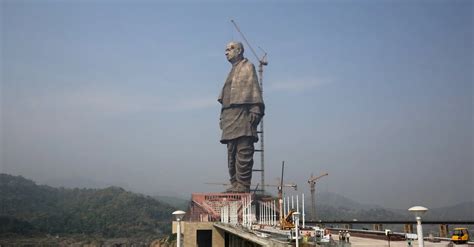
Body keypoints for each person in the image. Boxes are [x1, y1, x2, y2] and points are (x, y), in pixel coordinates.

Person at [218, 41, 264, 193]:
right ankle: (234, 183)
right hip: (229, 117)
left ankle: (243, 185)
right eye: (226, 49)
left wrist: (255, 109)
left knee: (243, 152)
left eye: (229, 49)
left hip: (243, 115)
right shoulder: (231, 71)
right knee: (231, 154)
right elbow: (225, 97)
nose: (226, 52)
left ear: (239, 51)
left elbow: (254, 89)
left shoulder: (247, 66)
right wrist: (222, 117)